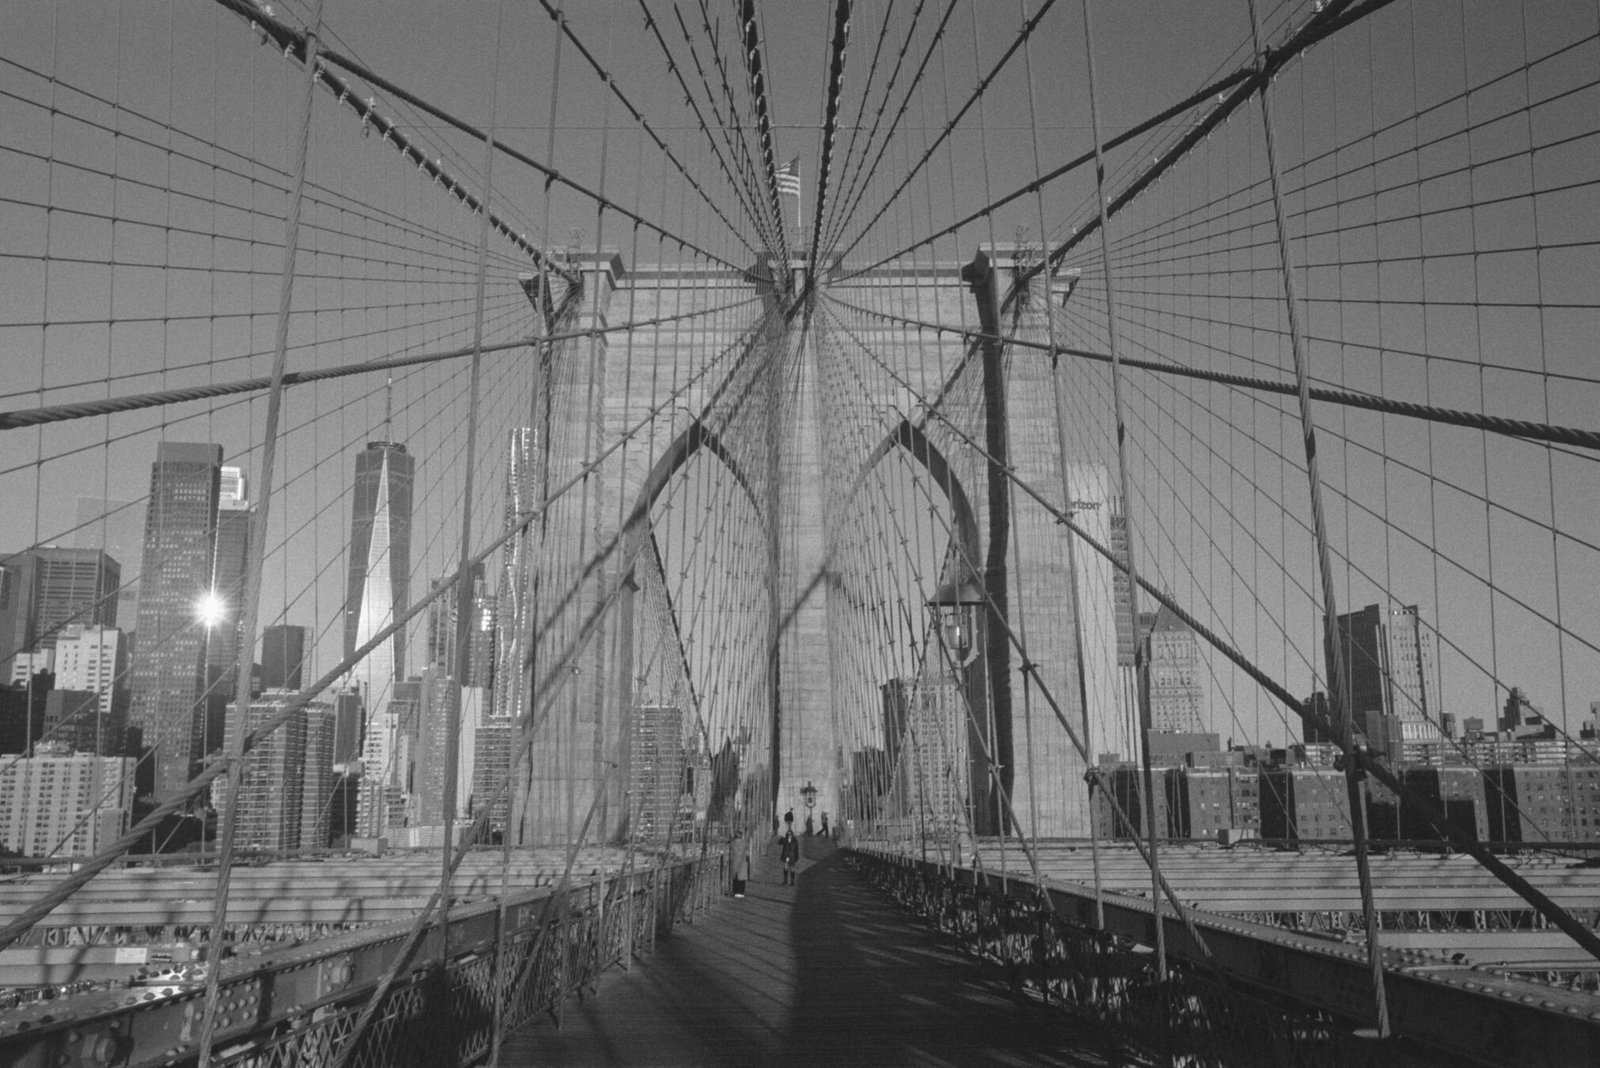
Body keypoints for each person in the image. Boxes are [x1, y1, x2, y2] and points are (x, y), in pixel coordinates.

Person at [729, 831, 750, 898]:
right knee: (742, 878)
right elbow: (747, 852)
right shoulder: (744, 843)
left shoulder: (733, 843)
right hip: (743, 862)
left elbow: (730, 849)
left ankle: (736, 891)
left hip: (735, 861)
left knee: (735, 878)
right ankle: (741, 892)